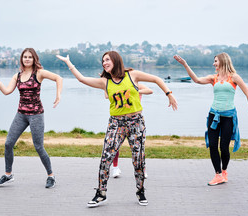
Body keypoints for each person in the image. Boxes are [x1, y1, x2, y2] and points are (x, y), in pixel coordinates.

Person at [57, 51, 177, 207]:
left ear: (115, 60)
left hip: (136, 123)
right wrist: (69, 63)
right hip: (116, 124)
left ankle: (140, 191)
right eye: (103, 61)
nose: (104, 63)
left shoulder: (132, 75)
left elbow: (156, 79)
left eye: (107, 60)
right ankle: (101, 193)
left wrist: (169, 94)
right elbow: (82, 79)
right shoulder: (105, 82)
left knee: (138, 160)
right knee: (105, 158)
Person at [174, 53, 248, 186]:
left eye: (215, 61)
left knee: (224, 147)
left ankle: (224, 171)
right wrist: (185, 65)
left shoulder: (234, 77)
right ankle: (218, 174)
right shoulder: (213, 78)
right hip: (213, 116)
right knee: (213, 145)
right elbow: (197, 80)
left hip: (228, 117)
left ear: (222, 61)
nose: (213, 64)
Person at [0, 48, 63, 188]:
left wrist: (58, 96)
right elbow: (7, 91)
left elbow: (59, 78)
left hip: (36, 115)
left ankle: (51, 176)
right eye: (25, 57)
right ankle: (8, 174)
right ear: (22, 59)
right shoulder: (17, 76)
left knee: (38, 146)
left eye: (30, 57)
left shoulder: (39, 73)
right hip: (21, 114)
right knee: (8, 143)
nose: (27, 59)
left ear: (34, 59)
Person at [110, 84, 153, 179]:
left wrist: (135, 91)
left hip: (135, 120)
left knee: (139, 147)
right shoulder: (118, 85)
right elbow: (106, 95)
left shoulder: (137, 85)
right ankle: (115, 167)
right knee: (115, 146)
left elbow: (149, 90)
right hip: (119, 119)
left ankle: (142, 169)